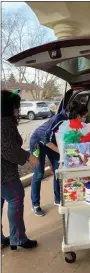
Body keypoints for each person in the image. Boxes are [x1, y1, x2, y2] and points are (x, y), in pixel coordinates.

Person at [30, 100, 88, 216]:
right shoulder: (59, 119)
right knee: (39, 173)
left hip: (52, 143)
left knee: (58, 168)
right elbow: (46, 139)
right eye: (83, 117)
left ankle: (58, 199)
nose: (84, 120)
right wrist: (62, 152)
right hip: (38, 143)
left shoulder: (70, 120)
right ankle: (35, 205)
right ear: (77, 115)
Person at [1, 90, 39, 250]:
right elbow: (8, 149)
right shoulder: (5, 123)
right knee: (16, 198)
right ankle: (18, 239)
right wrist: (28, 157)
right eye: (16, 107)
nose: (18, 110)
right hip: (4, 173)